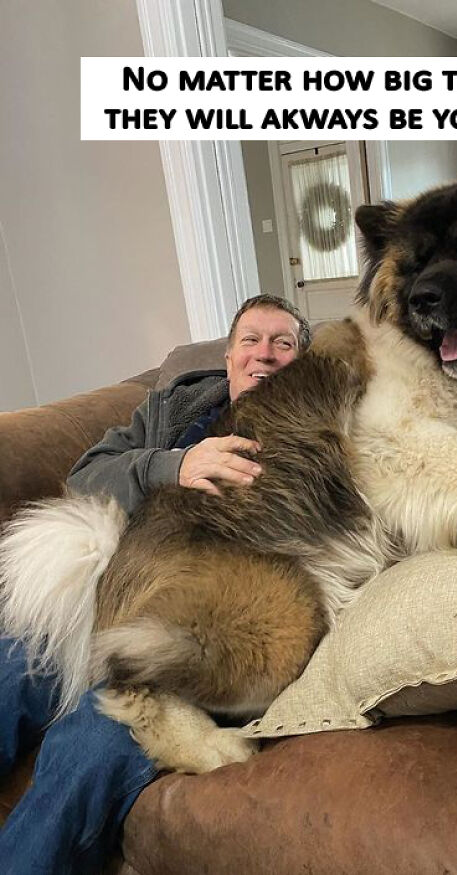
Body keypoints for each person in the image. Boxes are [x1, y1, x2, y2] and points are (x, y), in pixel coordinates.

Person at [0, 295, 311, 874]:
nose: (263, 355)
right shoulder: (180, 404)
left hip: (189, 622)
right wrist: (176, 465)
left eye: (283, 343)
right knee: (9, 671)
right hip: (99, 593)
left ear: (305, 362)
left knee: (92, 745)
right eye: (250, 340)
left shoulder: (317, 429)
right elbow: (86, 477)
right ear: (228, 356)